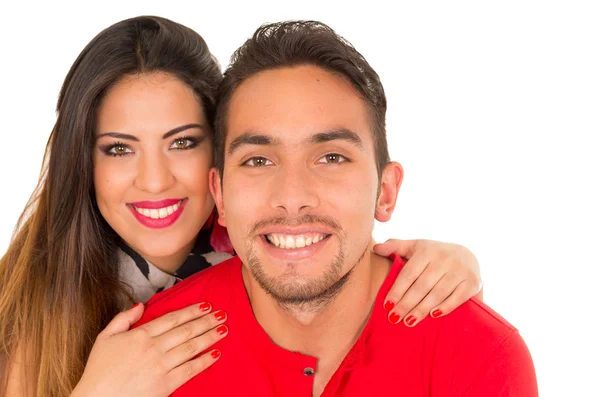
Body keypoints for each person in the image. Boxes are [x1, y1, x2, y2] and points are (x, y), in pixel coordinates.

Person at [0, 16, 482, 397]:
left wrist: (454, 264)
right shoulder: (31, 300)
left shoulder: (275, 246)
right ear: (82, 162)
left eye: (183, 142)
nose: (153, 180)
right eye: (119, 149)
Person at [133, 20, 538, 396]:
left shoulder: (480, 354)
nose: (292, 197)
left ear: (386, 192)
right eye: (258, 160)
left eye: (331, 158)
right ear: (219, 194)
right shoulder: (151, 351)